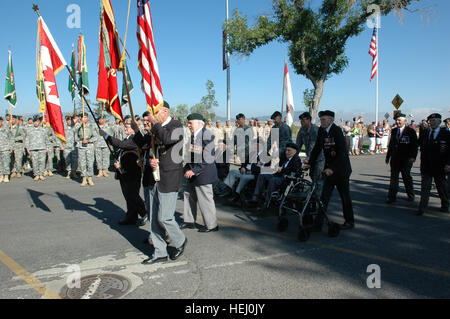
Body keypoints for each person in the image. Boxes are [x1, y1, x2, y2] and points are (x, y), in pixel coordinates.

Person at [133, 101, 187, 265]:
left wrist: (155, 123)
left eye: (155, 111)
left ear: (165, 110)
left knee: (165, 217)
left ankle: (180, 240)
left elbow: (167, 138)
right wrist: (151, 161)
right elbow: (150, 149)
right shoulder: (155, 130)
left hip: (169, 178)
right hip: (153, 178)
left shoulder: (176, 125)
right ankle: (160, 252)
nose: (152, 114)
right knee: (154, 219)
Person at [304, 110, 355, 230]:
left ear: (331, 120)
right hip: (329, 169)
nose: (321, 121)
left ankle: (349, 221)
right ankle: (318, 224)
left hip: (341, 169)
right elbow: (317, 148)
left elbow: (342, 153)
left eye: (324, 119)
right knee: (324, 198)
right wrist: (310, 163)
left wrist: (332, 168)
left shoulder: (336, 131)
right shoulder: (322, 130)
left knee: (344, 196)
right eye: (320, 119)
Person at [100, 120, 147, 225]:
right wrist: (118, 162)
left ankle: (144, 213)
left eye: (128, 127)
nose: (125, 129)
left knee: (133, 195)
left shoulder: (134, 139)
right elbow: (121, 150)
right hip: (123, 172)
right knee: (127, 196)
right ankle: (131, 216)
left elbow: (121, 144)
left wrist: (107, 136)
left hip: (132, 172)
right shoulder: (127, 138)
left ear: (133, 129)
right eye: (125, 127)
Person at [181, 113, 219, 232]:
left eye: (190, 123)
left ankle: (212, 225)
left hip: (203, 174)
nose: (188, 125)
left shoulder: (207, 135)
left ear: (198, 123)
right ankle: (189, 220)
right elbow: (191, 155)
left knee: (205, 200)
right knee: (188, 196)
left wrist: (194, 170)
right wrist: (187, 168)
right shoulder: (194, 136)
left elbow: (207, 158)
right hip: (192, 173)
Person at [247, 143, 302, 212]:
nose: (287, 152)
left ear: (295, 151)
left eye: (289, 150)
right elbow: (278, 167)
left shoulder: (296, 160)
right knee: (262, 175)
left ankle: (267, 203)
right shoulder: (284, 157)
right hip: (278, 175)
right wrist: (277, 168)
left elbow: (295, 170)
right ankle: (255, 198)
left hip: (286, 179)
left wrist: (282, 169)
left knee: (273, 180)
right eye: (286, 150)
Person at [417, 113, 449, 215]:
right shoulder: (425, 133)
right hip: (427, 165)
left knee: (441, 187)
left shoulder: (446, 134)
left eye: (435, 120)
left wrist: (448, 164)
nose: (432, 122)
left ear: (439, 122)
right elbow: (420, 147)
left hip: (440, 166)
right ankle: (422, 208)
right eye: (431, 120)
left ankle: (445, 204)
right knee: (425, 187)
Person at [385, 113, 419, 204]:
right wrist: (388, 157)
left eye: (399, 120)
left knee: (406, 178)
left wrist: (413, 157)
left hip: (406, 159)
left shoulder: (410, 131)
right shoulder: (394, 131)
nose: (397, 122)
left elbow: (414, 145)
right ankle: (391, 197)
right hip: (395, 159)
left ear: (404, 121)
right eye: (396, 120)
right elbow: (391, 145)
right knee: (394, 179)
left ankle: (410, 195)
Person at [296, 112, 325, 208]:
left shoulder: (315, 130)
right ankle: (314, 199)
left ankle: (319, 203)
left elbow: (314, 147)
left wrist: (308, 161)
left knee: (318, 180)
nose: (302, 122)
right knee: (313, 177)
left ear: (309, 120)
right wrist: (293, 157)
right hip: (311, 158)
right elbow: (298, 145)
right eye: (301, 121)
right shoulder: (302, 131)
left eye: (303, 120)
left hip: (319, 159)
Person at [25, 116, 49, 181]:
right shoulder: (29, 130)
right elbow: (27, 140)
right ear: (33, 122)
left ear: (39, 122)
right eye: (34, 122)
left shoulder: (43, 130)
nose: (36, 123)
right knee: (34, 162)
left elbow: (46, 139)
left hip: (42, 148)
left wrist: (47, 147)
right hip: (33, 149)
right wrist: (27, 148)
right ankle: (36, 174)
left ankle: (41, 174)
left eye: (37, 121)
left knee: (42, 162)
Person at [76, 113, 98, 187]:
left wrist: (89, 140)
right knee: (82, 163)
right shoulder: (78, 127)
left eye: (85, 117)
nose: (84, 119)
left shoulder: (91, 126)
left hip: (89, 146)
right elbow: (75, 137)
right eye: (82, 117)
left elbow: (96, 137)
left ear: (87, 118)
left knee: (90, 163)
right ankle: (84, 178)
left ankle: (90, 178)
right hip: (81, 147)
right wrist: (80, 140)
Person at [0, 117, 13, 183]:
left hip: (5, 148)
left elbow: (11, 138)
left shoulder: (6, 129)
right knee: (0, 163)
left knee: (6, 162)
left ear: (1, 121)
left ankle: (6, 175)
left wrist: (11, 147)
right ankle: (1, 175)